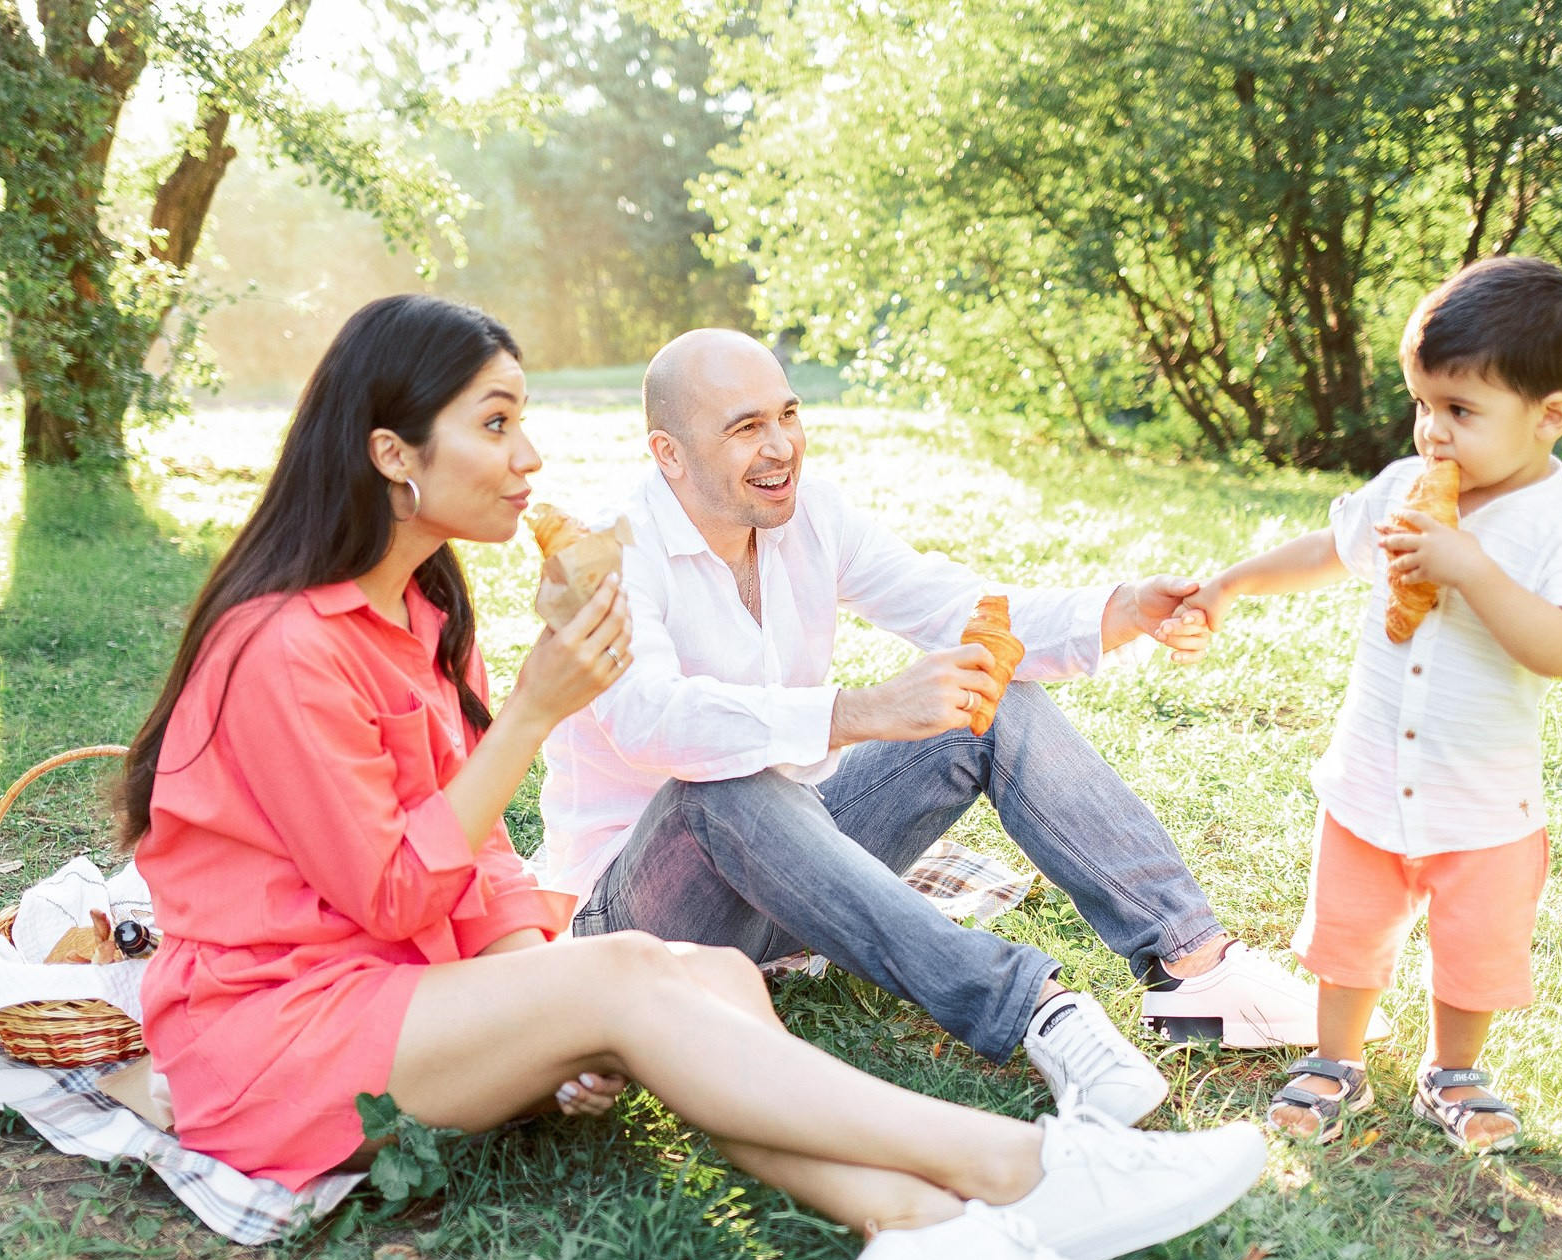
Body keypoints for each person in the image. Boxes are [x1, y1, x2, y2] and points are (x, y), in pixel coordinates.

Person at [118, 294, 1268, 1260]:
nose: (531, 457)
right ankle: (1029, 1165)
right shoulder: (282, 647)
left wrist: (534, 1006)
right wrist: (533, 720)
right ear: (392, 454)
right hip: (275, 1039)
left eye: (523, 421)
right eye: (498, 422)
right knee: (633, 961)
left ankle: (923, 1233)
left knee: (713, 978)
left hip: (419, 997)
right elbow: (391, 889)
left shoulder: (422, 613)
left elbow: (483, 860)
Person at [540, 329, 1378, 1125]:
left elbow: (954, 607)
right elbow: (652, 720)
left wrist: (1115, 610)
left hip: (798, 876)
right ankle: (1039, 1013)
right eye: (747, 427)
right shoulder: (609, 553)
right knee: (722, 784)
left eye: (789, 415)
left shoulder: (810, 516)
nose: (782, 446)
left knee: (991, 688)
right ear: (669, 454)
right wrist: (860, 711)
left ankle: (1194, 965)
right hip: (646, 913)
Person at [1180, 257, 1562, 1151]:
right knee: (1349, 932)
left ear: (1549, 418)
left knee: (1474, 949)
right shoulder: (1398, 490)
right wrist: (1230, 583)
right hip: (1372, 774)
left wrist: (1470, 569)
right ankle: (1336, 1057)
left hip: (1485, 800)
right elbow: (1327, 549)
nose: (1433, 432)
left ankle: (1452, 1071)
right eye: (1423, 405)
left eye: (1461, 412)